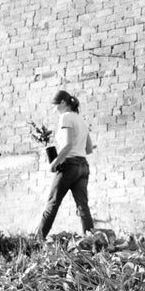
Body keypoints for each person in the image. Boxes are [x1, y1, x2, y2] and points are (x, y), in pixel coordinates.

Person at [36, 90, 95, 240]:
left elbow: (68, 145)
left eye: (55, 106)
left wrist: (55, 163)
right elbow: (88, 149)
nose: (54, 110)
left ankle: (36, 242)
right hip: (83, 166)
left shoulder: (65, 117)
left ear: (63, 102)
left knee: (52, 204)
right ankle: (93, 241)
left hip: (69, 166)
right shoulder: (81, 120)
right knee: (83, 207)